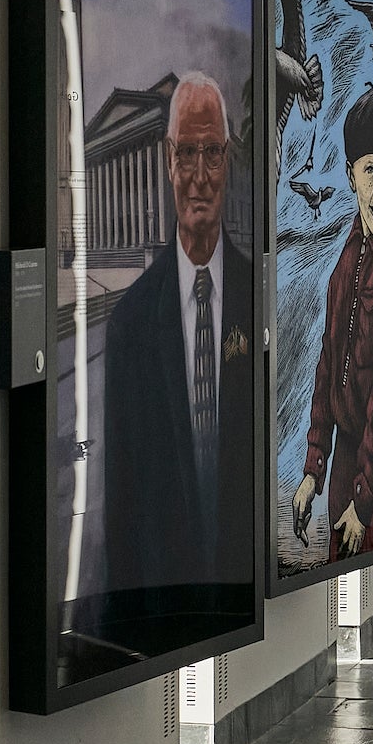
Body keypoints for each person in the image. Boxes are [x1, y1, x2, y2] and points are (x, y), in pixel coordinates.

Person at [102, 72, 254, 627]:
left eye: (211, 153)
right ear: (168, 161)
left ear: (229, 159)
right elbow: (120, 511)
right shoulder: (130, 325)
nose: (199, 177)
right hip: (164, 610)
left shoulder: (261, 300)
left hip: (247, 594)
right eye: (186, 154)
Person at [293, 86, 373, 562]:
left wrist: (363, 500)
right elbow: (326, 365)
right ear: (350, 176)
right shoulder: (345, 260)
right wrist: (312, 470)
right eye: (369, 171)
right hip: (343, 466)